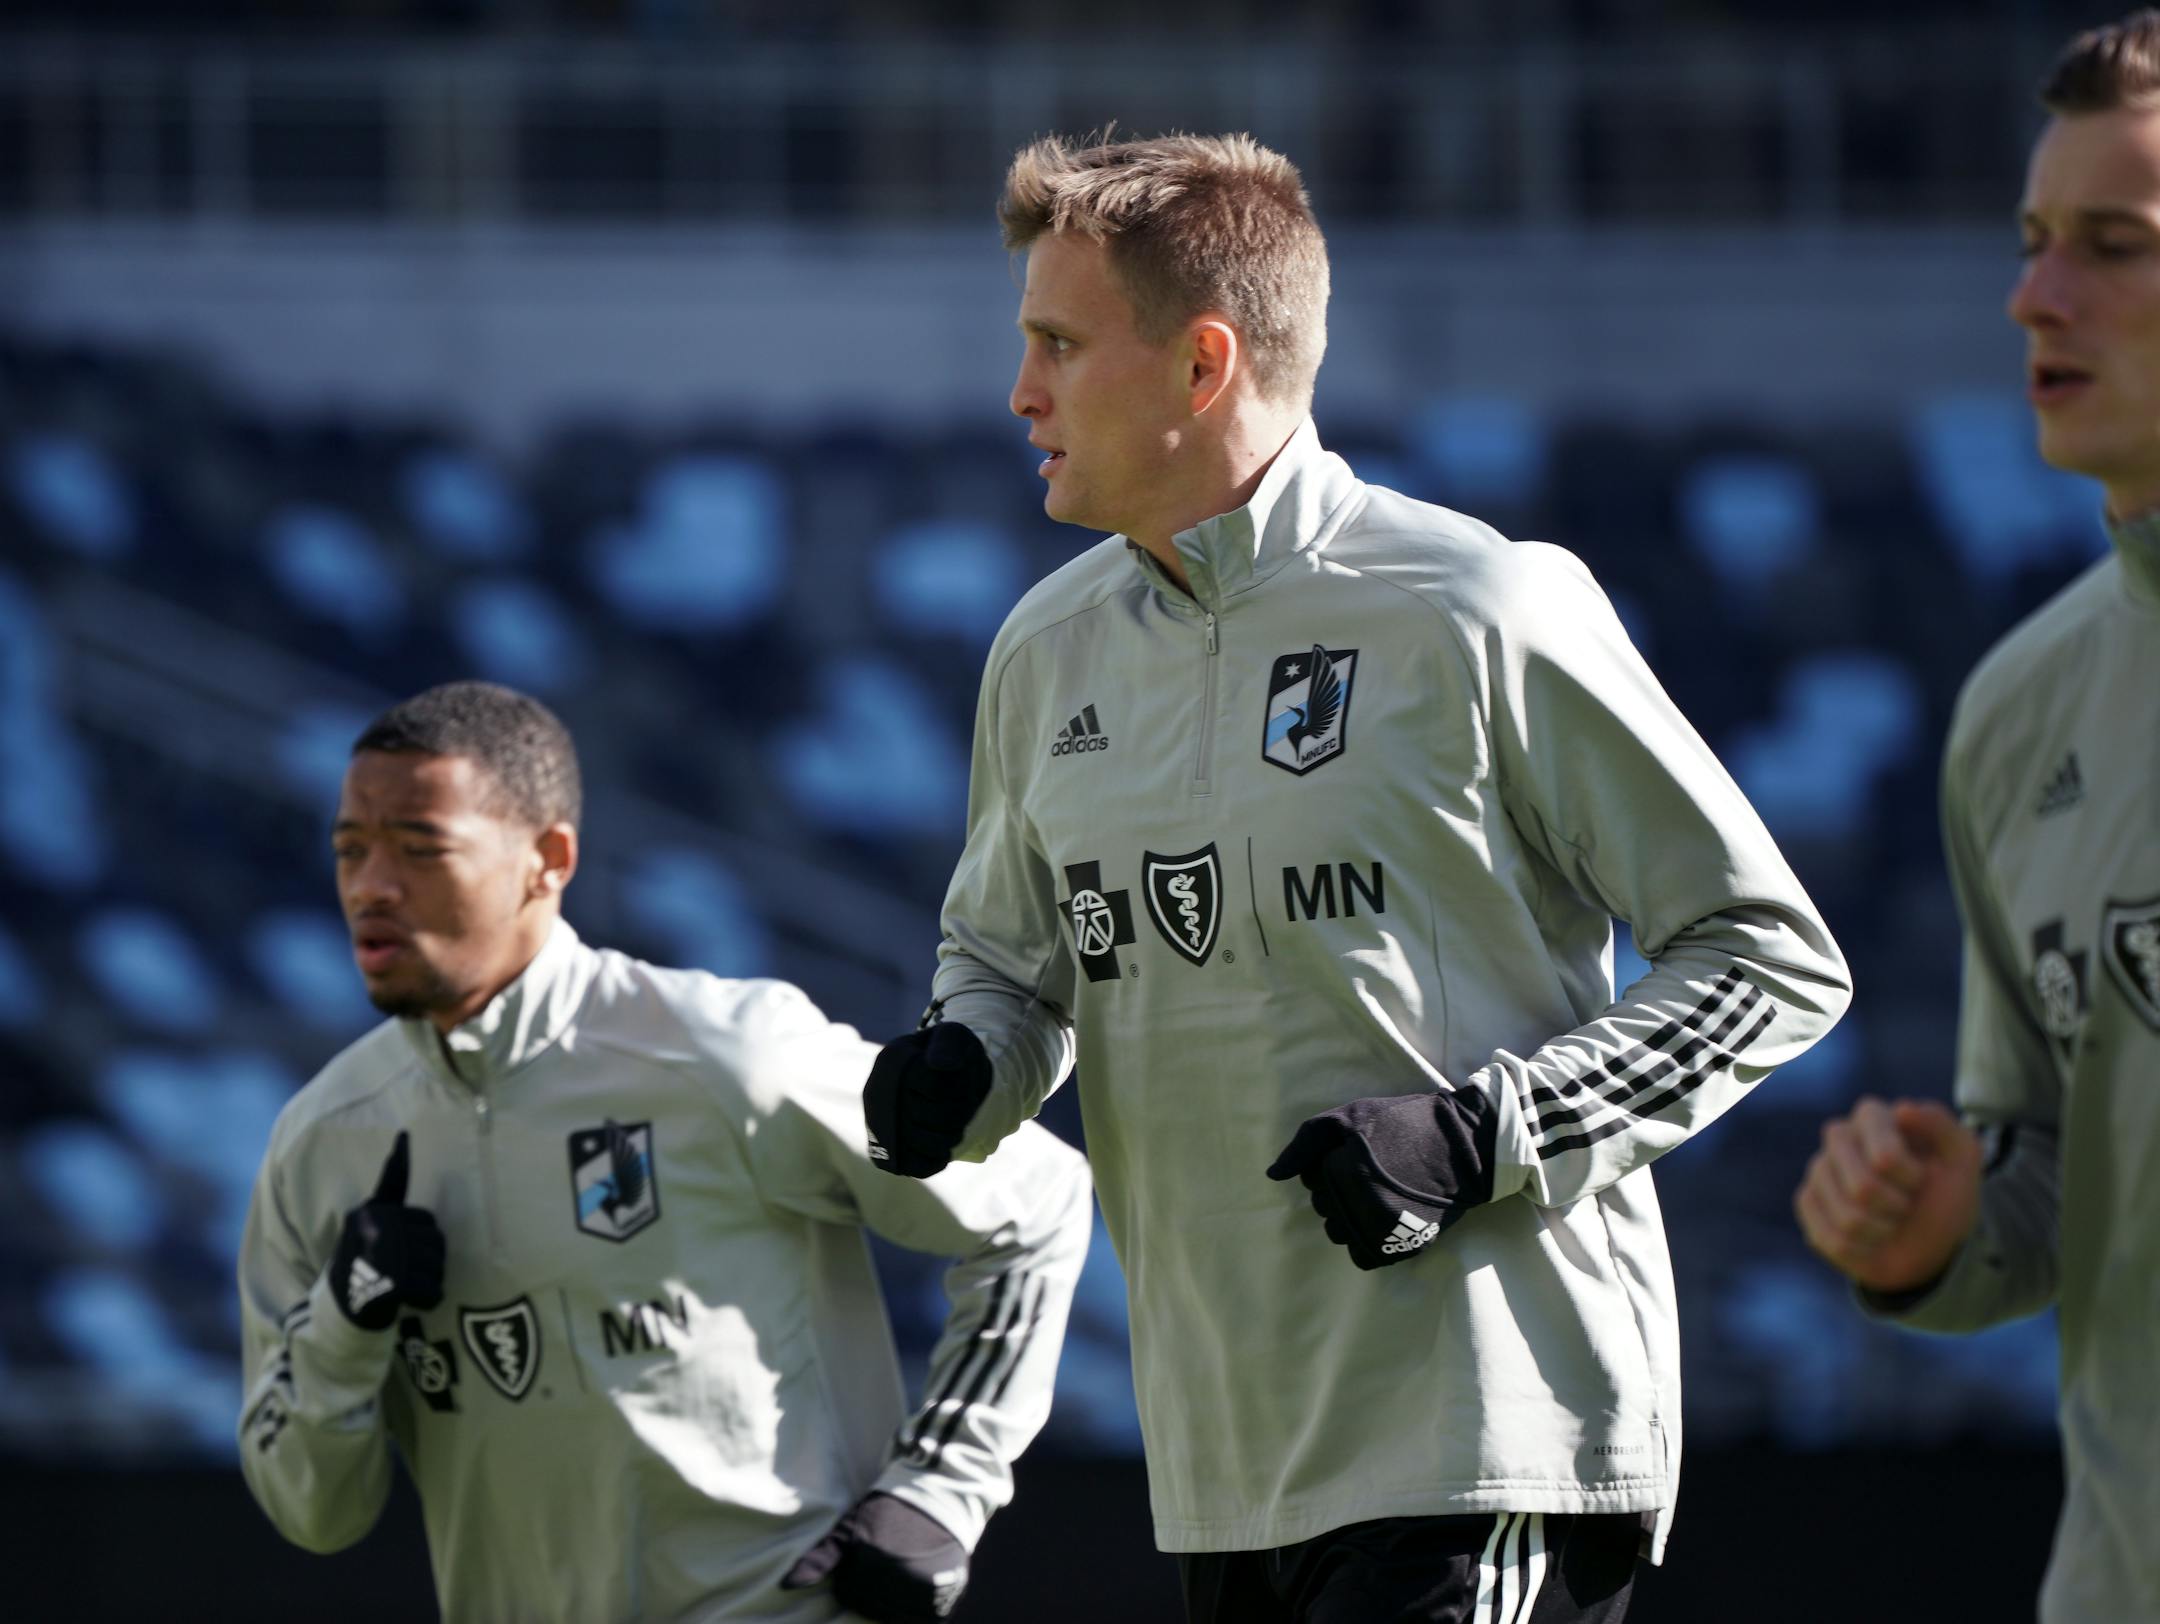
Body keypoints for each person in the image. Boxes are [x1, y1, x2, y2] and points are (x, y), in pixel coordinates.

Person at [862, 133, 1852, 1624]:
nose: (1020, 392)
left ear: (1203, 365)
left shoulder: (1477, 603)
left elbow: (1771, 958)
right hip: (1224, 1459)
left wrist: (1485, 1135)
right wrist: (966, 1064)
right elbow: (1010, 969)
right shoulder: (1045, 651)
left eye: (1057, 344)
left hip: (1483, 1430)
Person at [236, 681, 1090, 1623]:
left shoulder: (719, 1053)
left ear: (547, 860)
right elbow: (313, 1511)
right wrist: (346, 1324)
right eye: (350, 850)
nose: (371, 886)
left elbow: (1039, 1198)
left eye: (420, 847)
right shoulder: (323, 1142)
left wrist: (940, 1487)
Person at [1795, 14, 2160, 1622]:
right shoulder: (2020, 715)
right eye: (2031, 242)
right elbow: (2048, 1173)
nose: (2035, 297)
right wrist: (1937, 1232)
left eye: (2114, 247)